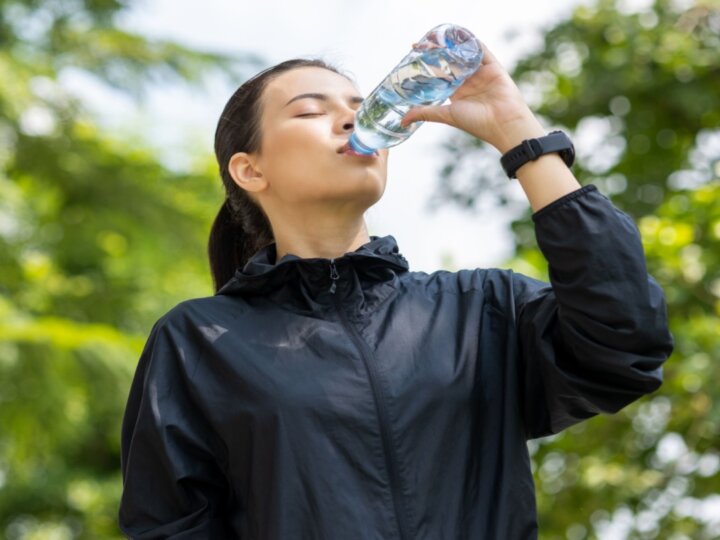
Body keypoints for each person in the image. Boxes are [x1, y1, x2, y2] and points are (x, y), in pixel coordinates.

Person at [118, 43, 674, 539]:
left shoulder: (482, 311)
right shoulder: (199, 340)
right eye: (312, 111)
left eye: (360, 108)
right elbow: (168, 526)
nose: (351, 122)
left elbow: (625, 343)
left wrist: (518, 131)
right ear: (249, 170)